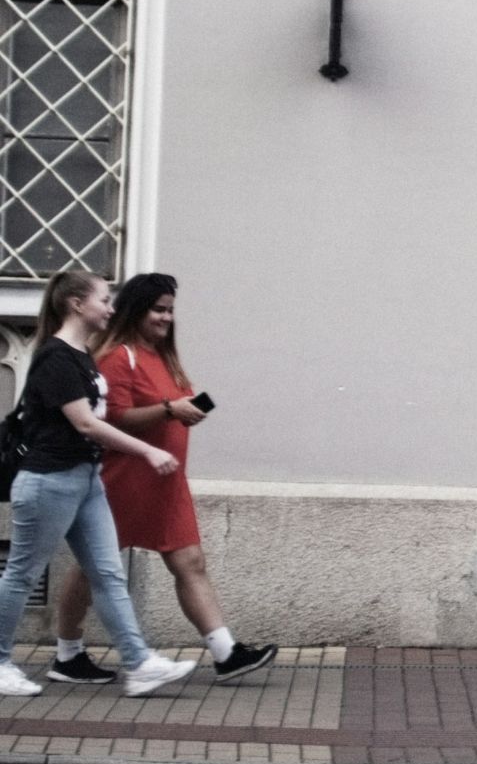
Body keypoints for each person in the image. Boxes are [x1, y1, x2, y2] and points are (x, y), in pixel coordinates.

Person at [47, 274, 276, 686]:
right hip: (126, 477)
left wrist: (183, 409)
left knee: (190, 562)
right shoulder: (120, 356)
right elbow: (112, 417)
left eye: (170, 310)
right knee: (92, 566)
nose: (167, 318)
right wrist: (171, 410)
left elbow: (165, 408)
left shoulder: (163, 357)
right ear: (137, 310)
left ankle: (226, 652)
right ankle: (67, 654)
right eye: (158, 309)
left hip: (166, 479)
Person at [0, 271, 197, 698]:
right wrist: (148, 451)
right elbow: (87, 423)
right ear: (76, 304)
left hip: (85, 480)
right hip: (48, 481)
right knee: (21, 574)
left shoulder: (82, 355)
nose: (111, 308)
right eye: (104, 300)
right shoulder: (56, 358)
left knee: (108, 573)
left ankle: (139, 663)